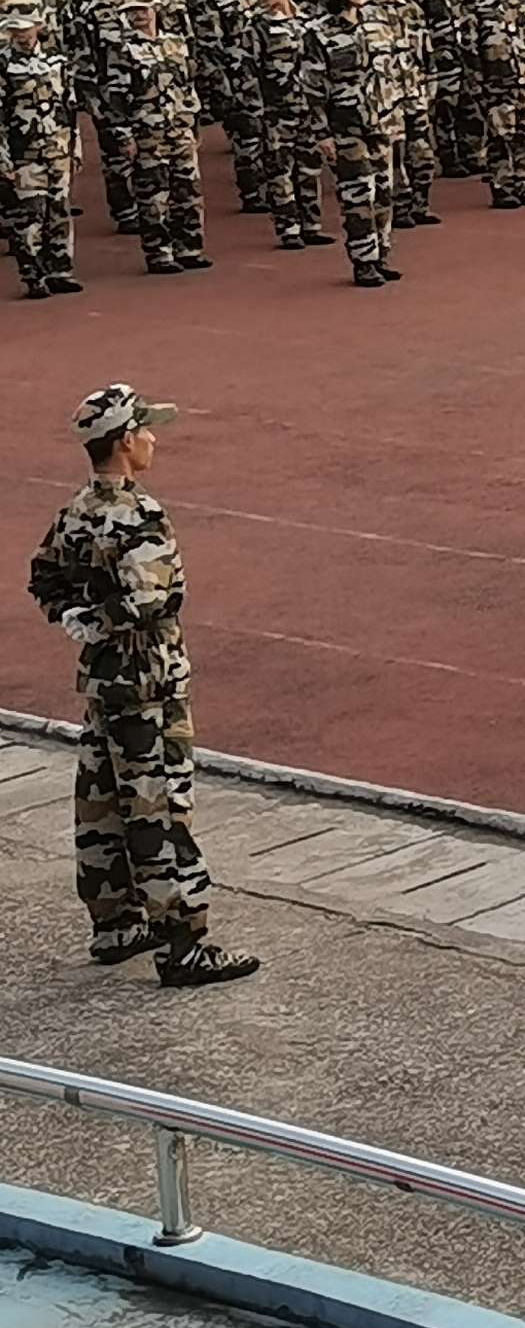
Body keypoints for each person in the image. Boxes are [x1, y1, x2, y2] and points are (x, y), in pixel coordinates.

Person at [27, 382, 260, 985]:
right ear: (126, 441)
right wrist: (106, 622)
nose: (154, 438)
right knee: (159, 808)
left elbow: (44, 576)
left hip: (104, 683)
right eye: (146, 430)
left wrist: (78, 623)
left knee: (101, 801)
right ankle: (183, 943)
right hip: (149, 682)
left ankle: (115, 922)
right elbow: (155, 600)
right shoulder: (139, 515)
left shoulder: (77, 509)